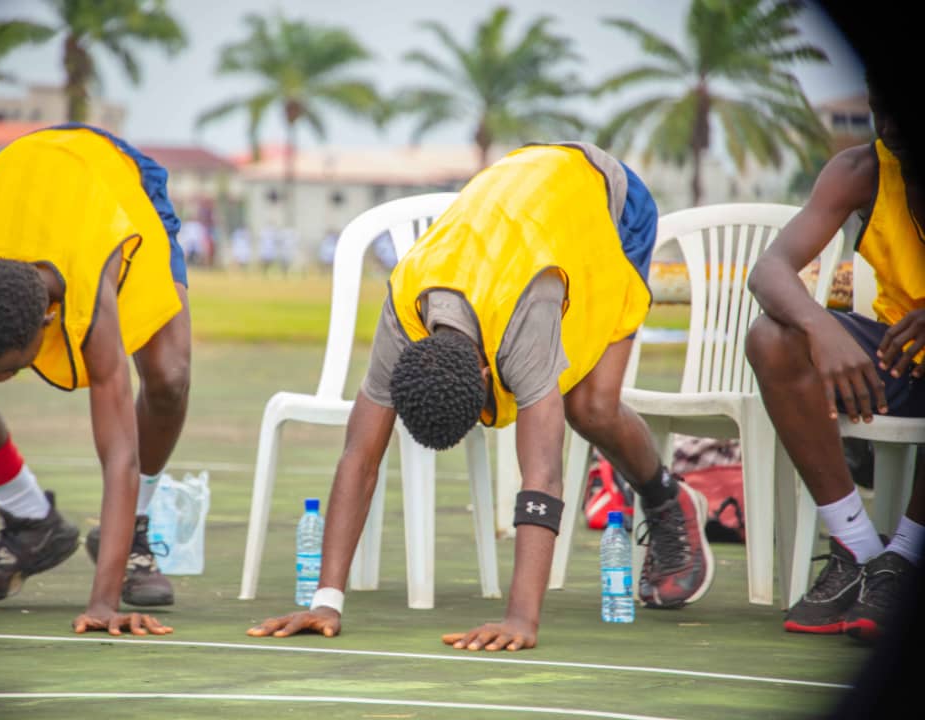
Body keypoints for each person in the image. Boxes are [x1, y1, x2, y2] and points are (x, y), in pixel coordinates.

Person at [247, 142, 715, 651]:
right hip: (520, 200)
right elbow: (359, 457)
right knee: (572, 399)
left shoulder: (524, 314)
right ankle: (664, 495)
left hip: (604, 199)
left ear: (491, 372)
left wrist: (520, 618)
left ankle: (666, 498)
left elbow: (543, 474)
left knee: (591, 407)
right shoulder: (405, 304)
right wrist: (326, 601)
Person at [0, 123, 192, 637]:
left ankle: (132, 528)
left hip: (118, 182)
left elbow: (120, 456)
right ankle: (31, 520)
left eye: (12, 366)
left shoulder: (91, 295)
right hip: (23, 180)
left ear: (50, 320)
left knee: (169, 376)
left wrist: (103, 603)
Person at [745, 71, 924, 643]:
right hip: (902, 352)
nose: (889, 128)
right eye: (879, 111)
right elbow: (770, 269)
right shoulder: (861, 170)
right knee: (772, 337)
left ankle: (907, 559)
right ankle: (856, 547)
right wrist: (820, 326)